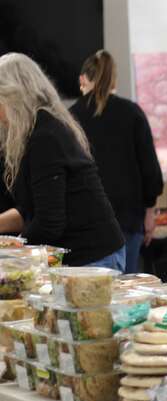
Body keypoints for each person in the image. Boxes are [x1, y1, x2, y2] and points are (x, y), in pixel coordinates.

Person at [0, 53, 125, 268]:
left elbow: (49, 222)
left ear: (15, 97)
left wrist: (12, 252)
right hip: (84, 255)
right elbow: (33, 208)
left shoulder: (45, 136)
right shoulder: (37, 130)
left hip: (93, 257)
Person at [70, 50, 163, 274]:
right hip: (128, 220)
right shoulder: (132, 113)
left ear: (82, 79)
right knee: (127, 298)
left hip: (85, 224)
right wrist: (149, 213)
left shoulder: (69, 117)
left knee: (88, 297)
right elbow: (151, 173)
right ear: (114, 80)